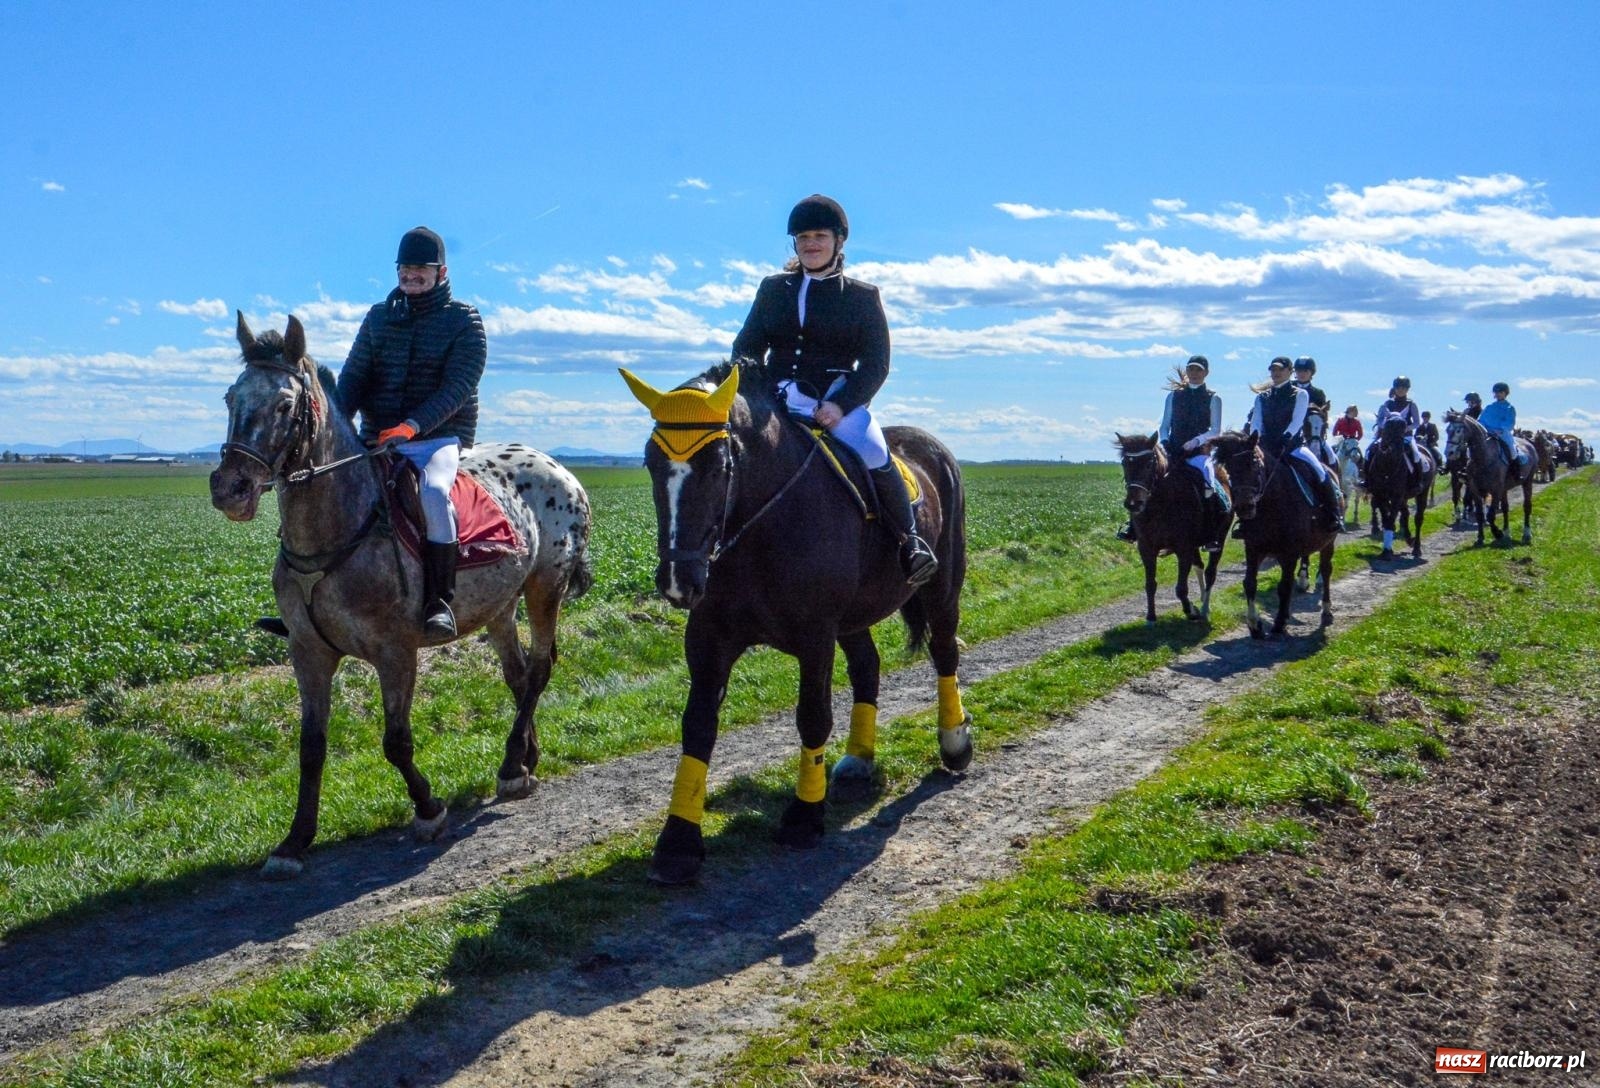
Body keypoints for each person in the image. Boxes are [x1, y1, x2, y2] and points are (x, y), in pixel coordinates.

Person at [260, 226, 487, 640]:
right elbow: (353, 380)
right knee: (313, 487)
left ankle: (438, 602)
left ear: (441, 271)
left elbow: (458, 388)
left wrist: (412, 426)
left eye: (421, 268)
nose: (411, 275)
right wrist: (334, 427)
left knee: (434, 496)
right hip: (375, 439)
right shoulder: (379, 318)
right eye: (405, 268)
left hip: (437, 440)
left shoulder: (464, 321)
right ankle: (300, 607)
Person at [731, 194, 937, 587]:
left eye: (819, 235)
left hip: (835, 400)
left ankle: (909, 543)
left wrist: (840, 405)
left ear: (838, 240)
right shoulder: (773, 289)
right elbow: (746, 348)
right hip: (775, 399)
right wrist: (756, 392)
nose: (811, 243)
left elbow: (876, 365)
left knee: (875, 452)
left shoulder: (862, 297)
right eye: (803, 236)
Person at [1116, 355, 1229, 551]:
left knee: (1208, 481)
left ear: (1206, 373)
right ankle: (1133, 527)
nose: (1194, 374)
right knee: (1147, 479)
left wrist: (1195, 441)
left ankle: (1211, 533)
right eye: (1191, 370)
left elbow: (1215, 431)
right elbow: (1164, 426)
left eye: (1198, 370)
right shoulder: (1174, 396)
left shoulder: (1214, 398)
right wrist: (1166, 441)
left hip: (1198, 453)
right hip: (1173, 450)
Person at [1244, 356, 1342, 530]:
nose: (1276, 373)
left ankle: (1333, 514)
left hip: (1292, 446)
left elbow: (1297, 420)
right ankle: (1246, 521)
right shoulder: (1262, 397)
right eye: (1273, 370)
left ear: (1289, 372)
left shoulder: (1300, 394)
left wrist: (1286, 436)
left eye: (1280, 370)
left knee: (1320, 472)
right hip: (1266, 447)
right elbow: (1256, 422)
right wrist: (1255, 439)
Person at [1369, 376, 1425, 481]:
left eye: (1404, 388)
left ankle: (1418, 481)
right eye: (1398, 387)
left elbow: (1417, 423)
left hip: (1405, 436)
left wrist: (1406, 428)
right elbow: (1380, 420)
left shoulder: (1411, 404)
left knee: (1416, 455)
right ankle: (1367, 479)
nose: (1401, 390)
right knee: (1370, 450)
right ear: (1394, 388)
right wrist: (1385, 426)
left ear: (1407, 389)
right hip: (1388, 437)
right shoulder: (1388, 403)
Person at [1291, 357, 1334, 469]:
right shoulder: (1289, 388)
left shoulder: (1318, 393)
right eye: (1299, 370)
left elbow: (1322, 416)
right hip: (1291, 433)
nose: (1302, 374)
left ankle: (1335, 484)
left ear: (1311, 373)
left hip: (1313, 433)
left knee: (1331, 457)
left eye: (1305, 371)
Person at [1476, 381, 1527, 466]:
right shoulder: (1489, 407)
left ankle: (1515, 472)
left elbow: (1510, 422)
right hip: (1487, 433)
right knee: (1471, 449)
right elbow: (1481, 420)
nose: (1498, 394)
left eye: (1500, 392)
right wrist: (1483, 429)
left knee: (1512, 451)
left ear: (1505, 393)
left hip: (1502, 434)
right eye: (1496, 392)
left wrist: (1500, 430)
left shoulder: (1509, 408)